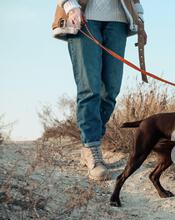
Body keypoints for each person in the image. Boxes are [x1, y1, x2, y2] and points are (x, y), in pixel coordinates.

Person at [53, 0, 147, 181]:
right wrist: (71, 7)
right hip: (83, 16)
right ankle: (91, 147)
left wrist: (140, 20)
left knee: (111, 89)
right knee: (89, 89)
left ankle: (92, 142)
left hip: (118, 21)